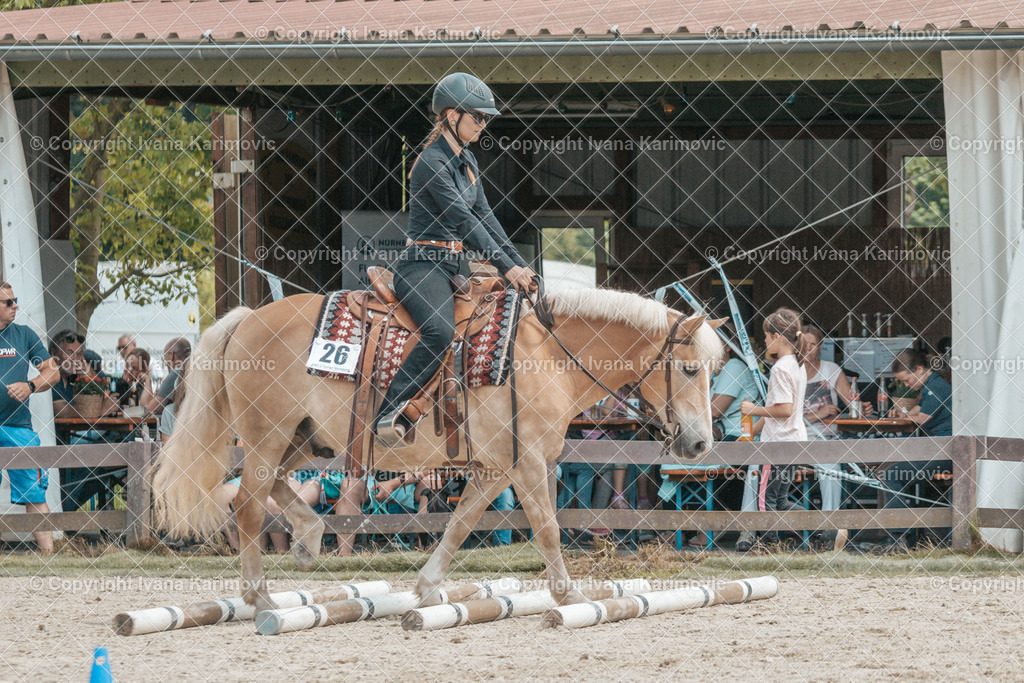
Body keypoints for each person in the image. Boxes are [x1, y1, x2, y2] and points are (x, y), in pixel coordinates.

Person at [372, 72, 538, 448]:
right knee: (440, 332)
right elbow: (463, 221)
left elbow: (486, 218)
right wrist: (505, 267)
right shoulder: (431, 162)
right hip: (421, 266)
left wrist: (519, 263)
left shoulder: (469, 162)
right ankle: (389, 411)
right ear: (450, 116)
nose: (483, 124)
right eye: (477, 116)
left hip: (453, 268)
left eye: (485, 118)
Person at [860, 348, 953, 553]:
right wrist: (903, 413)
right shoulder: (931, 386)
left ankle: (898, 538)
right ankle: (900, 535)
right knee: (893, 470)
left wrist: (904, 416)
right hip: (937, 450)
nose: (906, 385)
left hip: (945, 453)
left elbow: (921, 418)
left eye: (906, 380)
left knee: (893, 473)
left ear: (919, 369)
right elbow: (917, 410)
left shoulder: (936, 387)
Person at [0, 282, 60, 553]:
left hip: (17, 426)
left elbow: (53, 371)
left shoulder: (23, 335)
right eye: (8, 303)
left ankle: (50, 556)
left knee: (34, 492)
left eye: (15, 300)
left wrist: (31, 385)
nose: (15, 306)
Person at [800, 324, 872, 548]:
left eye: (814, 345)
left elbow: (852, 401)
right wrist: (816, 414)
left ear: (821, 347)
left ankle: (829, 531)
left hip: (825, 441)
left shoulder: (831, 370)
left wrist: (862, 407)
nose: (810, 350)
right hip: (796, 441)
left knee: (831, 468)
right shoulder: (787, 372)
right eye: (805, 345)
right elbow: (782, 416)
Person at [741, 307, 808, 549]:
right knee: (780, 500)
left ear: (778, 337)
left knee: (764, 499)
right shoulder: (797, 364)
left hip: (777, 445)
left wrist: (752, 410)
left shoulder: (780, 368)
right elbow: (776, 409)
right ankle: (825, 528)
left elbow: (783, 409)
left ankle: (769, 547)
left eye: (768, 336)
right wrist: (752, 432)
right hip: (793, 440)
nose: (765, 341)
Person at [145, 337, 190, 417]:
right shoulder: (192, 370)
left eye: (164, 357)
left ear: (172, 355)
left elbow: (152, 408)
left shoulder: (176, 373)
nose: (165, 363)